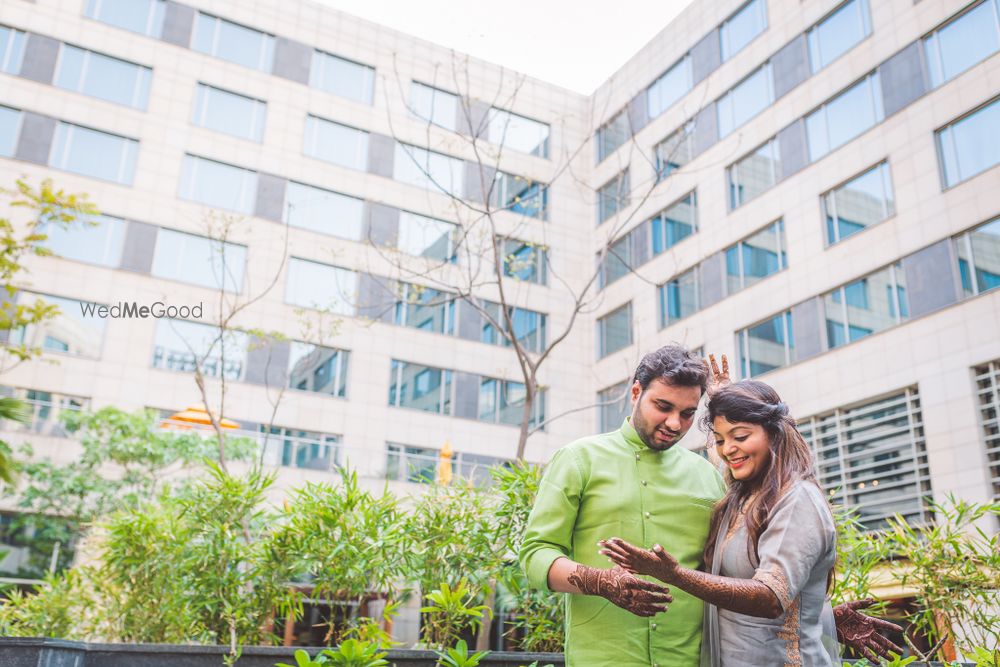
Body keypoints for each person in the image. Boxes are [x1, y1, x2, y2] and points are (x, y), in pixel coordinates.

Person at [600, 376, 904, 666]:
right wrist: (825, 619)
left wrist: (675, 575)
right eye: (720, 439)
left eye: (740, 436)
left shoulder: (797, 500)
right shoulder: (743, 496)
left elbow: (771, 597)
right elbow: (725, 454)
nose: (728, 448)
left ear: (774, 434)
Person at [519, 344, 725, 666]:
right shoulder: (578, 459)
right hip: (603, 657)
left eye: (687, 414)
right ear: (636, 392)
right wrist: (599, 582)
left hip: (687, 658)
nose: (674, 424)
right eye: (663, 406)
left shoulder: (707, 475)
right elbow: (536, 554)